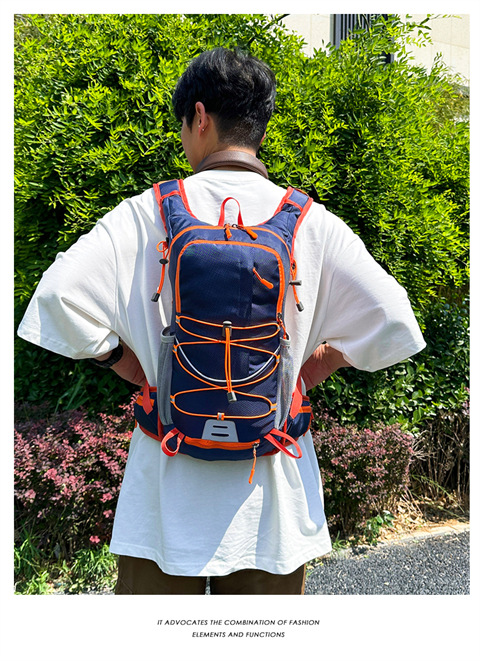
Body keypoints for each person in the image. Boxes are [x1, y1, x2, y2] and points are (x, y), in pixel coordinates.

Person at [17, 47, 425, 595]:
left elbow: (55, 298)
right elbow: (395, 320)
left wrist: (126, 363)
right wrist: (315, 367)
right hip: (272, 505)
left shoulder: (144, 213)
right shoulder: (312, 222)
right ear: (260, 126)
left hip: (163, 498)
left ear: (200, 117)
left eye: (183, 126)